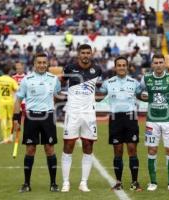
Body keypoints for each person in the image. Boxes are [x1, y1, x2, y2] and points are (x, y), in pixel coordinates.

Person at [13, 53, 61, 192]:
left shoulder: (54, 79)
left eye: (44, 62)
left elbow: (57, 95)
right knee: (30, 149)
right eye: (38, 62)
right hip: (31, 117)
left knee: (49, 149)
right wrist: (16, 120)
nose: (41, 65)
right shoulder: (26, 80)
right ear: (34, 64)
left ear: (47, 64)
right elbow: (18, 100)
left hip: (48, 117)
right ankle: (26, 184)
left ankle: (53, 184)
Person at [140, 54, 169, 192]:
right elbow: (139, 92)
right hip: (152, 121)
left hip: (168, 121)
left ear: (164, 64)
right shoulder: (146, 78)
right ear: (152, 64)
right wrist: (143, 97)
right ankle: (153, 182)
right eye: (156, 62)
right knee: (152, 150)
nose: (158, 65)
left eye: (161, 62)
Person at [61, 44, 102, 192]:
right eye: (83, 53)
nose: (85, 55)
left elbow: (99, 89)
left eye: (88, 53)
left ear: (91, 54)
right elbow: (60, 84)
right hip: (72, 112)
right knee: (68, 146)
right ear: (79, 54)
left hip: (89, 114)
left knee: (88, 146)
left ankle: (83, 182)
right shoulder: (69, 68)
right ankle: (66, 182)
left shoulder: (97, 70)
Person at [98, 56, 143, 191]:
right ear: (115, 67)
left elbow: (141, 95)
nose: (122, 67)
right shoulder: (107, 83)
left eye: (124, 65)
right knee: (117, 150)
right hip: (115, 119)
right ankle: (118, 182)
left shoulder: (135, 83)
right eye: (119, 65)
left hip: (131, 119)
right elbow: (99, 96)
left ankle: (135, 182)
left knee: (132, 149)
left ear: (127, 67)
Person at [0, 64, 18, 144]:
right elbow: (18, 90)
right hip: (10, 102)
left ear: (2, 71)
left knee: (3, 120)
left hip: (1, 102)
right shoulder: (12, 80)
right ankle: (9, 137)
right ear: (9, 71)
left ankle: (5, 138)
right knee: (9, 119)